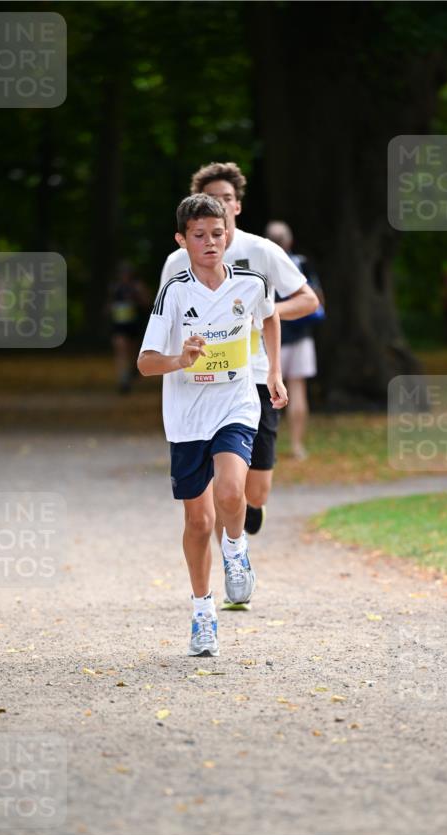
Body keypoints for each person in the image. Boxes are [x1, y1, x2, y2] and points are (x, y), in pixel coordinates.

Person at [138, 194, 287, 656]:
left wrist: (274, 373)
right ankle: (203, 613)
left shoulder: (251, 283)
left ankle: (237, 550)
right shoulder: (174, 293)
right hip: (186, 419)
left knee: (229, 493)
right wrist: (180, 359)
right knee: (199, 522)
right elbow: (145, 363)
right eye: (198, 236)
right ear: (181, 240)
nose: (209, 243)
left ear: (228, 234)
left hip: (236, 405)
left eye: (217, 234)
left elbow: (271, 317)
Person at [160, 162, 318, 557]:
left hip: (258, 375)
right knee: (223, 485)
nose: (221, 205)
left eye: (227, 199)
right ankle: (233, 561)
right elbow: (166, 319)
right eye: (213, 199)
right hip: (203, 383)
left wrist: (260, 311)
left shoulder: (260, 251)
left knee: (255, 491)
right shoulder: (178, 260)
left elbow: (309, 300)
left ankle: (248, 510)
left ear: (238, 207)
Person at [265, 221, 324, 460]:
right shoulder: (301, 263)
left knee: (266, 392)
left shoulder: (262, 264)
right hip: (300, 337)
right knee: (297, 389)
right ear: (289, 241)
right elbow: (317, 298)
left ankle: (268, 447)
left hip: (269, 338)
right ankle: (297, 445)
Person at [108, 261, 152, 393]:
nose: (124, 276)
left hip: (134, 325)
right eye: (122, 273)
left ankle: (133, 369)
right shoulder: (115, 288)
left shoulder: (137, 287)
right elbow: (109, 304)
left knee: (132, 352)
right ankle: (123, 380)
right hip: (119, 325)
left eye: (127, 273)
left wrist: (137, 298)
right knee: (121, 349)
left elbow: (148, 303)